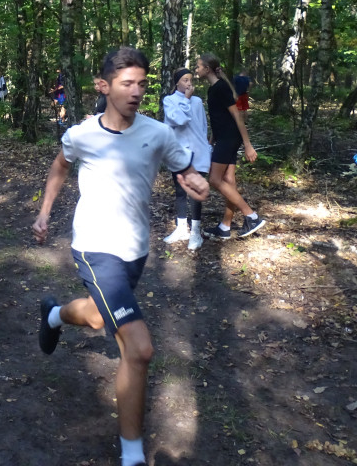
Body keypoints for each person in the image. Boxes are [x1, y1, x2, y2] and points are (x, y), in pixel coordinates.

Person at [33, 47, 210, 466]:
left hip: (135, 250)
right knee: (139, 347)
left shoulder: (158, 133)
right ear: (104, 86)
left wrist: (194, 181)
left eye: (142, 84)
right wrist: (43, 213)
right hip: (94, 247)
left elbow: (182, 168)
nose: (136, 92)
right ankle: (132, 456)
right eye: (127, 83)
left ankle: (55, 315)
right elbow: (60, 167)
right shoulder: (81, 135)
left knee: (98, 315)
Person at [196, 53, 265, 240]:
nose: (196, 69)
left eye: (198, 66)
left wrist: (248, 145)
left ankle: (251, 215)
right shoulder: (213, 89)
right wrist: (211, 140)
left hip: (229, 138)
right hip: (224, 137)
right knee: (229, 180)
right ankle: (225, 226)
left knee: (215, 180)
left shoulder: (220, 88)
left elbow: (237, 117)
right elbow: (219, 119)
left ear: (207, 69)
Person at [162, 68, 211, 250]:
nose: (189, 83)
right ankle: (182, 228)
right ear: (177, 82)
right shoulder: (169, 100)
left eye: (190, 79)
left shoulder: (197, 102)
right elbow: (178, 120)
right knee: (181, 191)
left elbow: (202, 126)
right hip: (179, 152)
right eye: (184, 80)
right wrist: (186, 99)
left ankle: (196, 232)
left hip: (198, 152)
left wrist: (206, 147)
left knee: (195, 192)